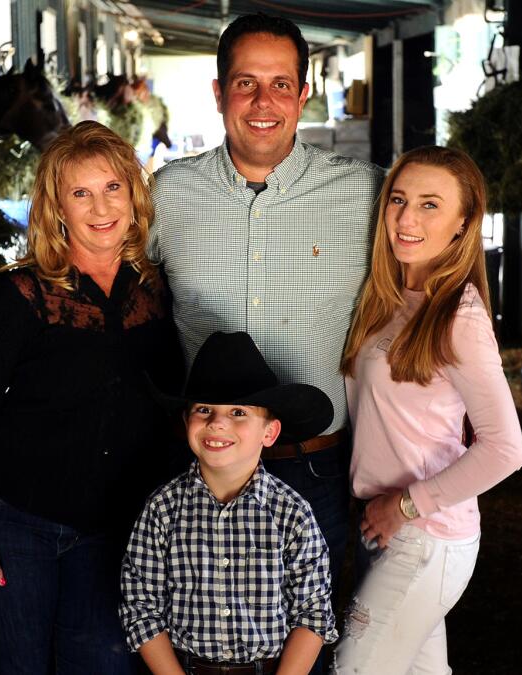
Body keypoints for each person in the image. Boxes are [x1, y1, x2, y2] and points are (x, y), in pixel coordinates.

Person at [147, 14, 384, 629]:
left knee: (309, 646)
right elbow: (118, 301)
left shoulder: (368, 197)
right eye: (246, 83)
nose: (263, 102)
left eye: (281, 84)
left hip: (314, 468)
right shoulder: (167, 195)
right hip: (202, 470)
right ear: (220, 92)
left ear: (304, 93)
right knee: (198, 640)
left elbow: (423, 303)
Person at [0, 120, 181, 675]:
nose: (101, 207)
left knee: (104, 663)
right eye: (81, 193)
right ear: (56, 209)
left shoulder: (159, 296)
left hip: (113, 530)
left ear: (134, 195)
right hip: (19, 520)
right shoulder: (15, 296)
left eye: (113, 188)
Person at [333, 146, 522, 674]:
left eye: (429, 205)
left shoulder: (458, 315)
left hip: (425, 537)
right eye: (398, 199)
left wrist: (407, 506)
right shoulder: (389, 299)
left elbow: (506, 449)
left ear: (463, 225)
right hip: (386, 527)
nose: (406, 218)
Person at [120, 331, 338, 675]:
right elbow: (140, 607)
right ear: (186, 422)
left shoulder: (292, 513)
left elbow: (312, 614)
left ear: (270, 432)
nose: (217, 423)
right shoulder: (162, 509)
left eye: (238, 412)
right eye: (204, 409)